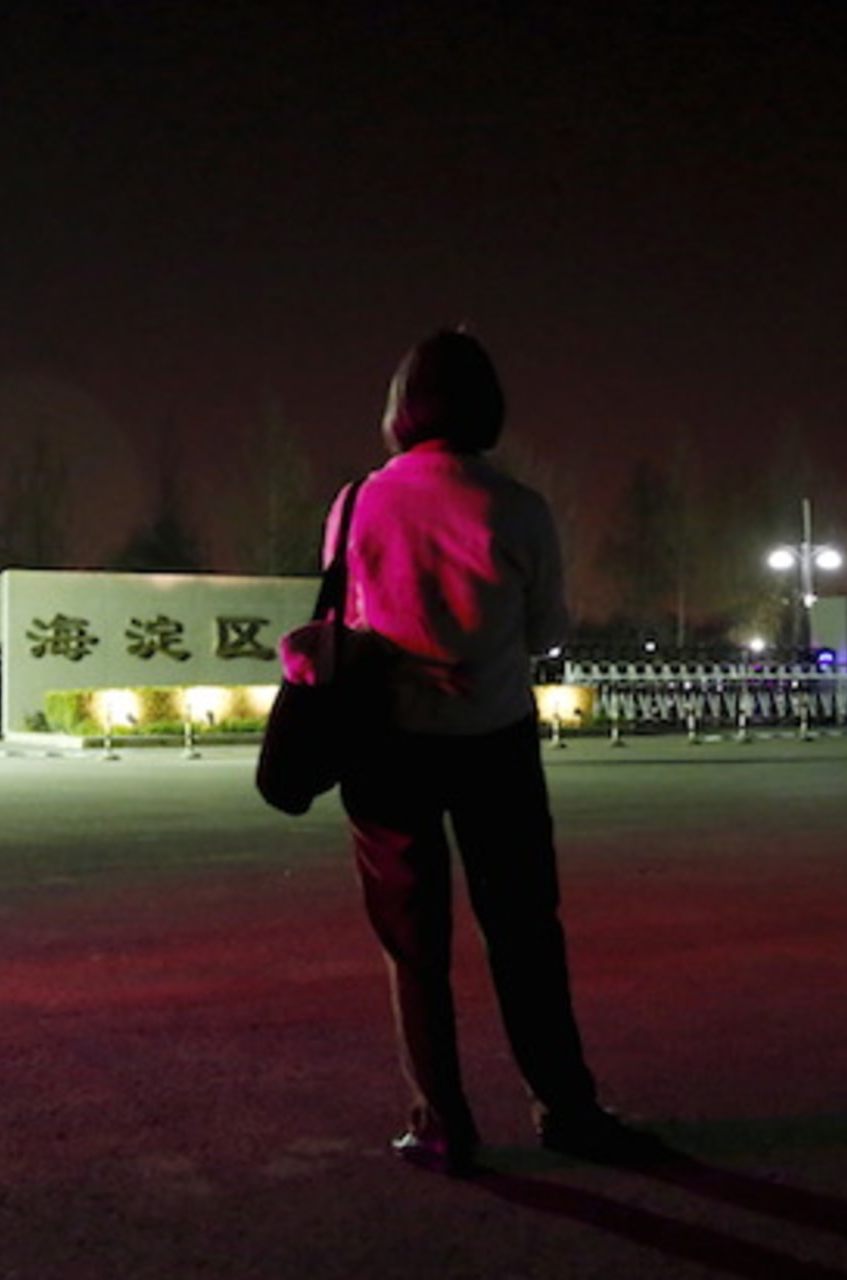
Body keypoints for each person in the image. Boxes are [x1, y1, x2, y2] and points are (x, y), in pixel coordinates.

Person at [328, 329, 650, 1176]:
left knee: (413, 941)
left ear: (400, 409)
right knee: (523, 932)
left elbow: (346, 619)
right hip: (494, 743)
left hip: (385, 750)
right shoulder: (517, 506)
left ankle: (440, 1122)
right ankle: (565, 1107)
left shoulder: (357, 500)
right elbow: (546, 632)